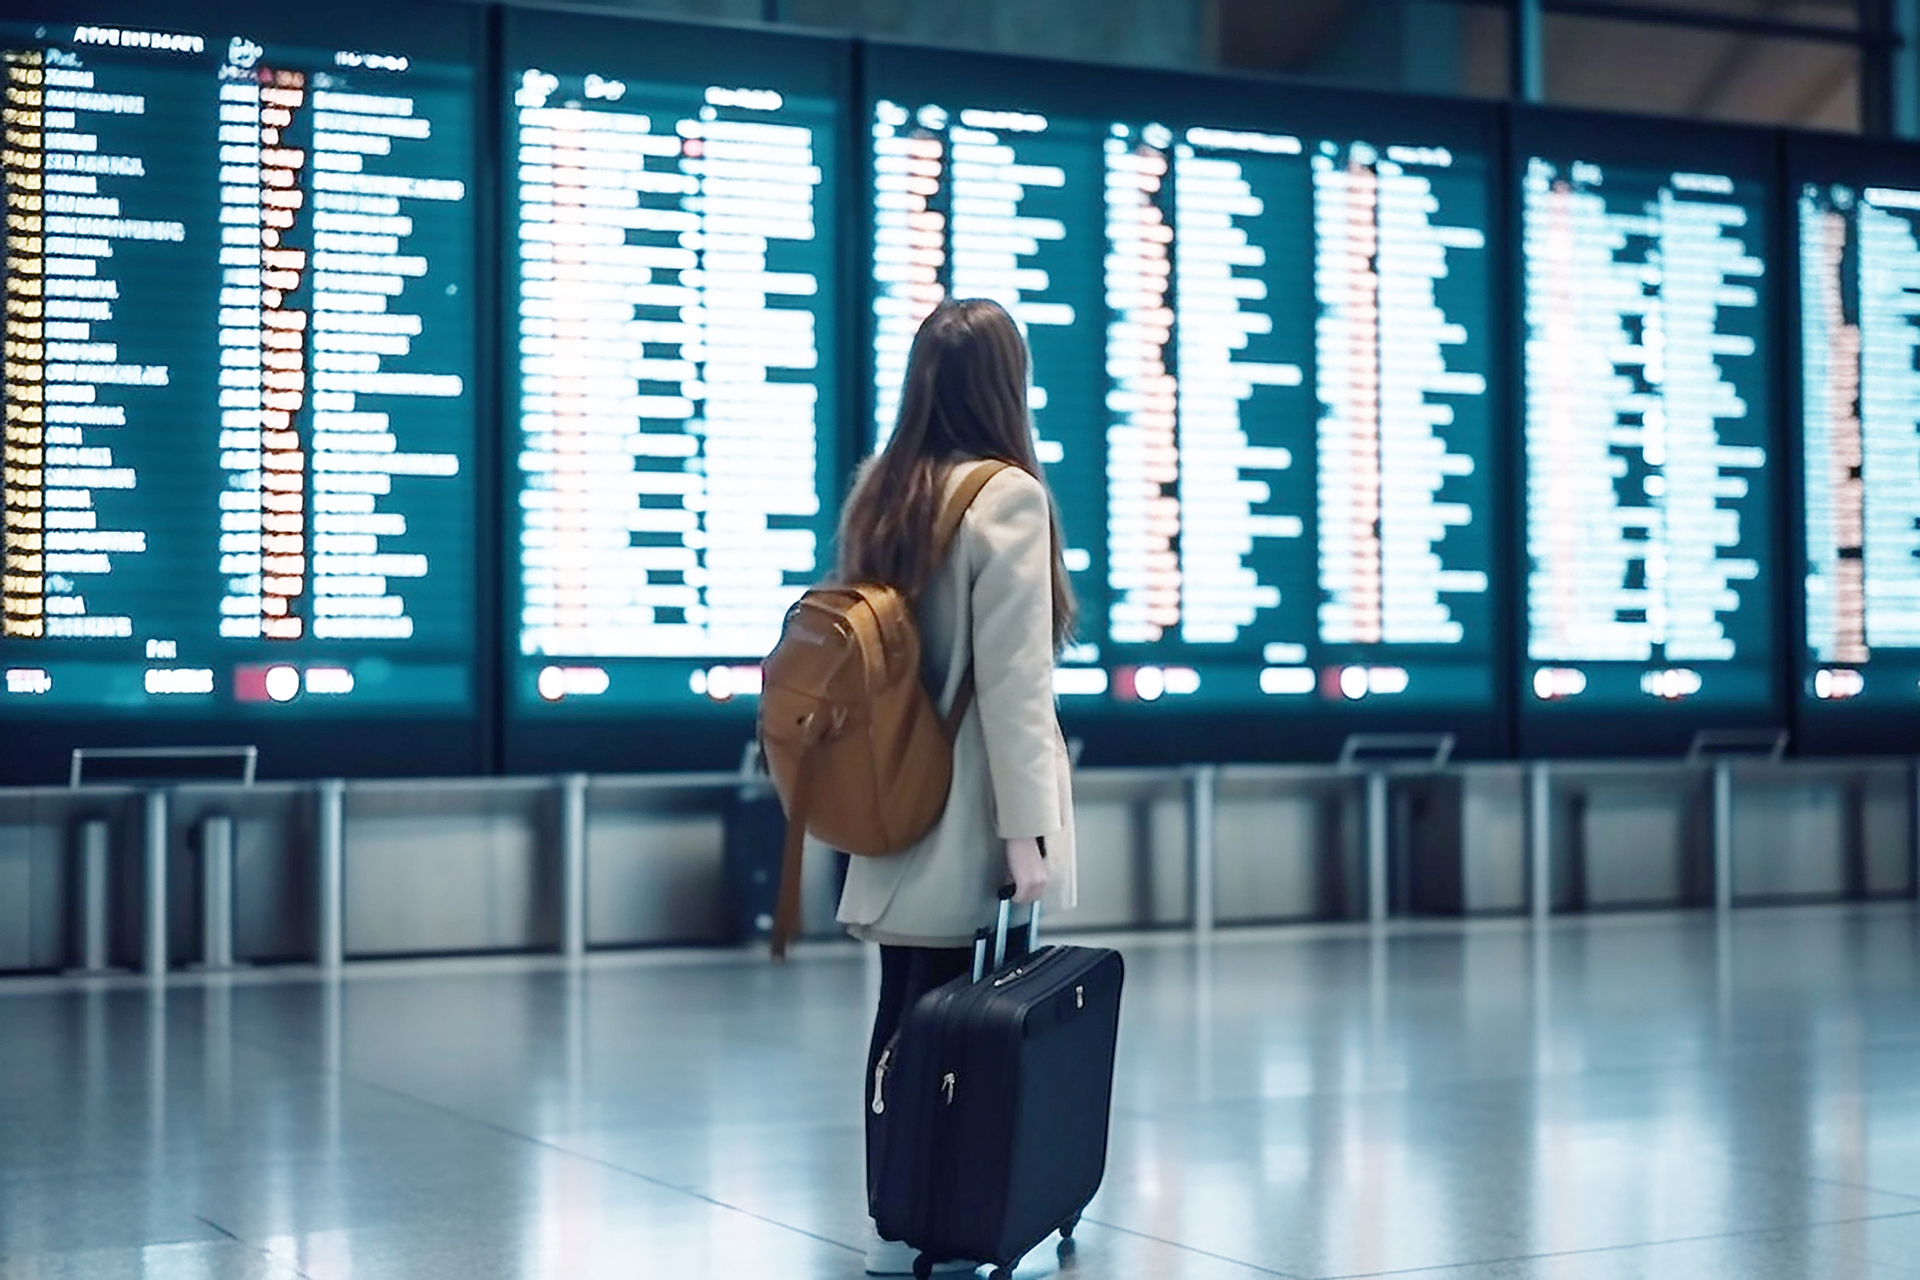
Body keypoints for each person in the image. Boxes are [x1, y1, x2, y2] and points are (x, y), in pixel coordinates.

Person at [834, 298, 1080, 1275]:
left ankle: (898, 1203)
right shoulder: (1005, 496)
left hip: (891, 800)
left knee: (903, 1009)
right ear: (1003, 384)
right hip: (970, 808)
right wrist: (1027, 833)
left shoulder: (881, 492)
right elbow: (1016, 682)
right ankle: (952, 1204)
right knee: (961, 1018)